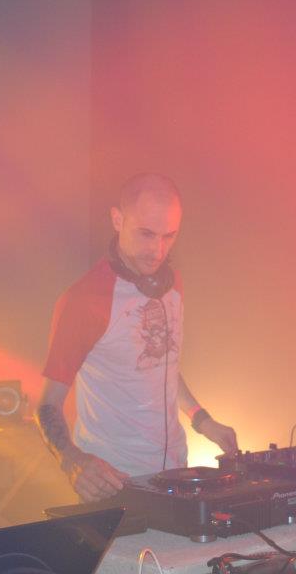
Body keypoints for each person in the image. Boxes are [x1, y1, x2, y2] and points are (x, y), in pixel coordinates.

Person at [36, 173, 238, 503]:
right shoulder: (84, 300)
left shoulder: (172, 286)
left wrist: (202, 420)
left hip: (176, 473)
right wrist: (71, 461)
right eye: (146, 234)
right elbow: (47, 405)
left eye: (169, 236)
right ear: (118, 220)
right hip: (114, 483)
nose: (158, 250)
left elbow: (163, 365)